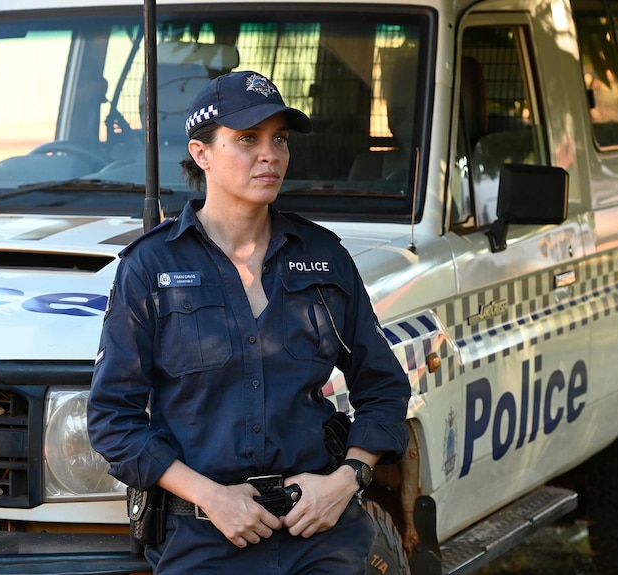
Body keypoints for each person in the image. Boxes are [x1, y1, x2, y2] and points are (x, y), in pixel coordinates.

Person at [87, 70, 411, 574]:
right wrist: (212, 498)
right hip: (204, 539)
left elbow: (384, 387)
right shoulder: (150, 267)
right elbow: (113, 419)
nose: (271, 154)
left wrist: (346, 480)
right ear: (202, 154)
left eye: (279, 138)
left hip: (321, 534)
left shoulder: (324, 258)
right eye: (247, 139)